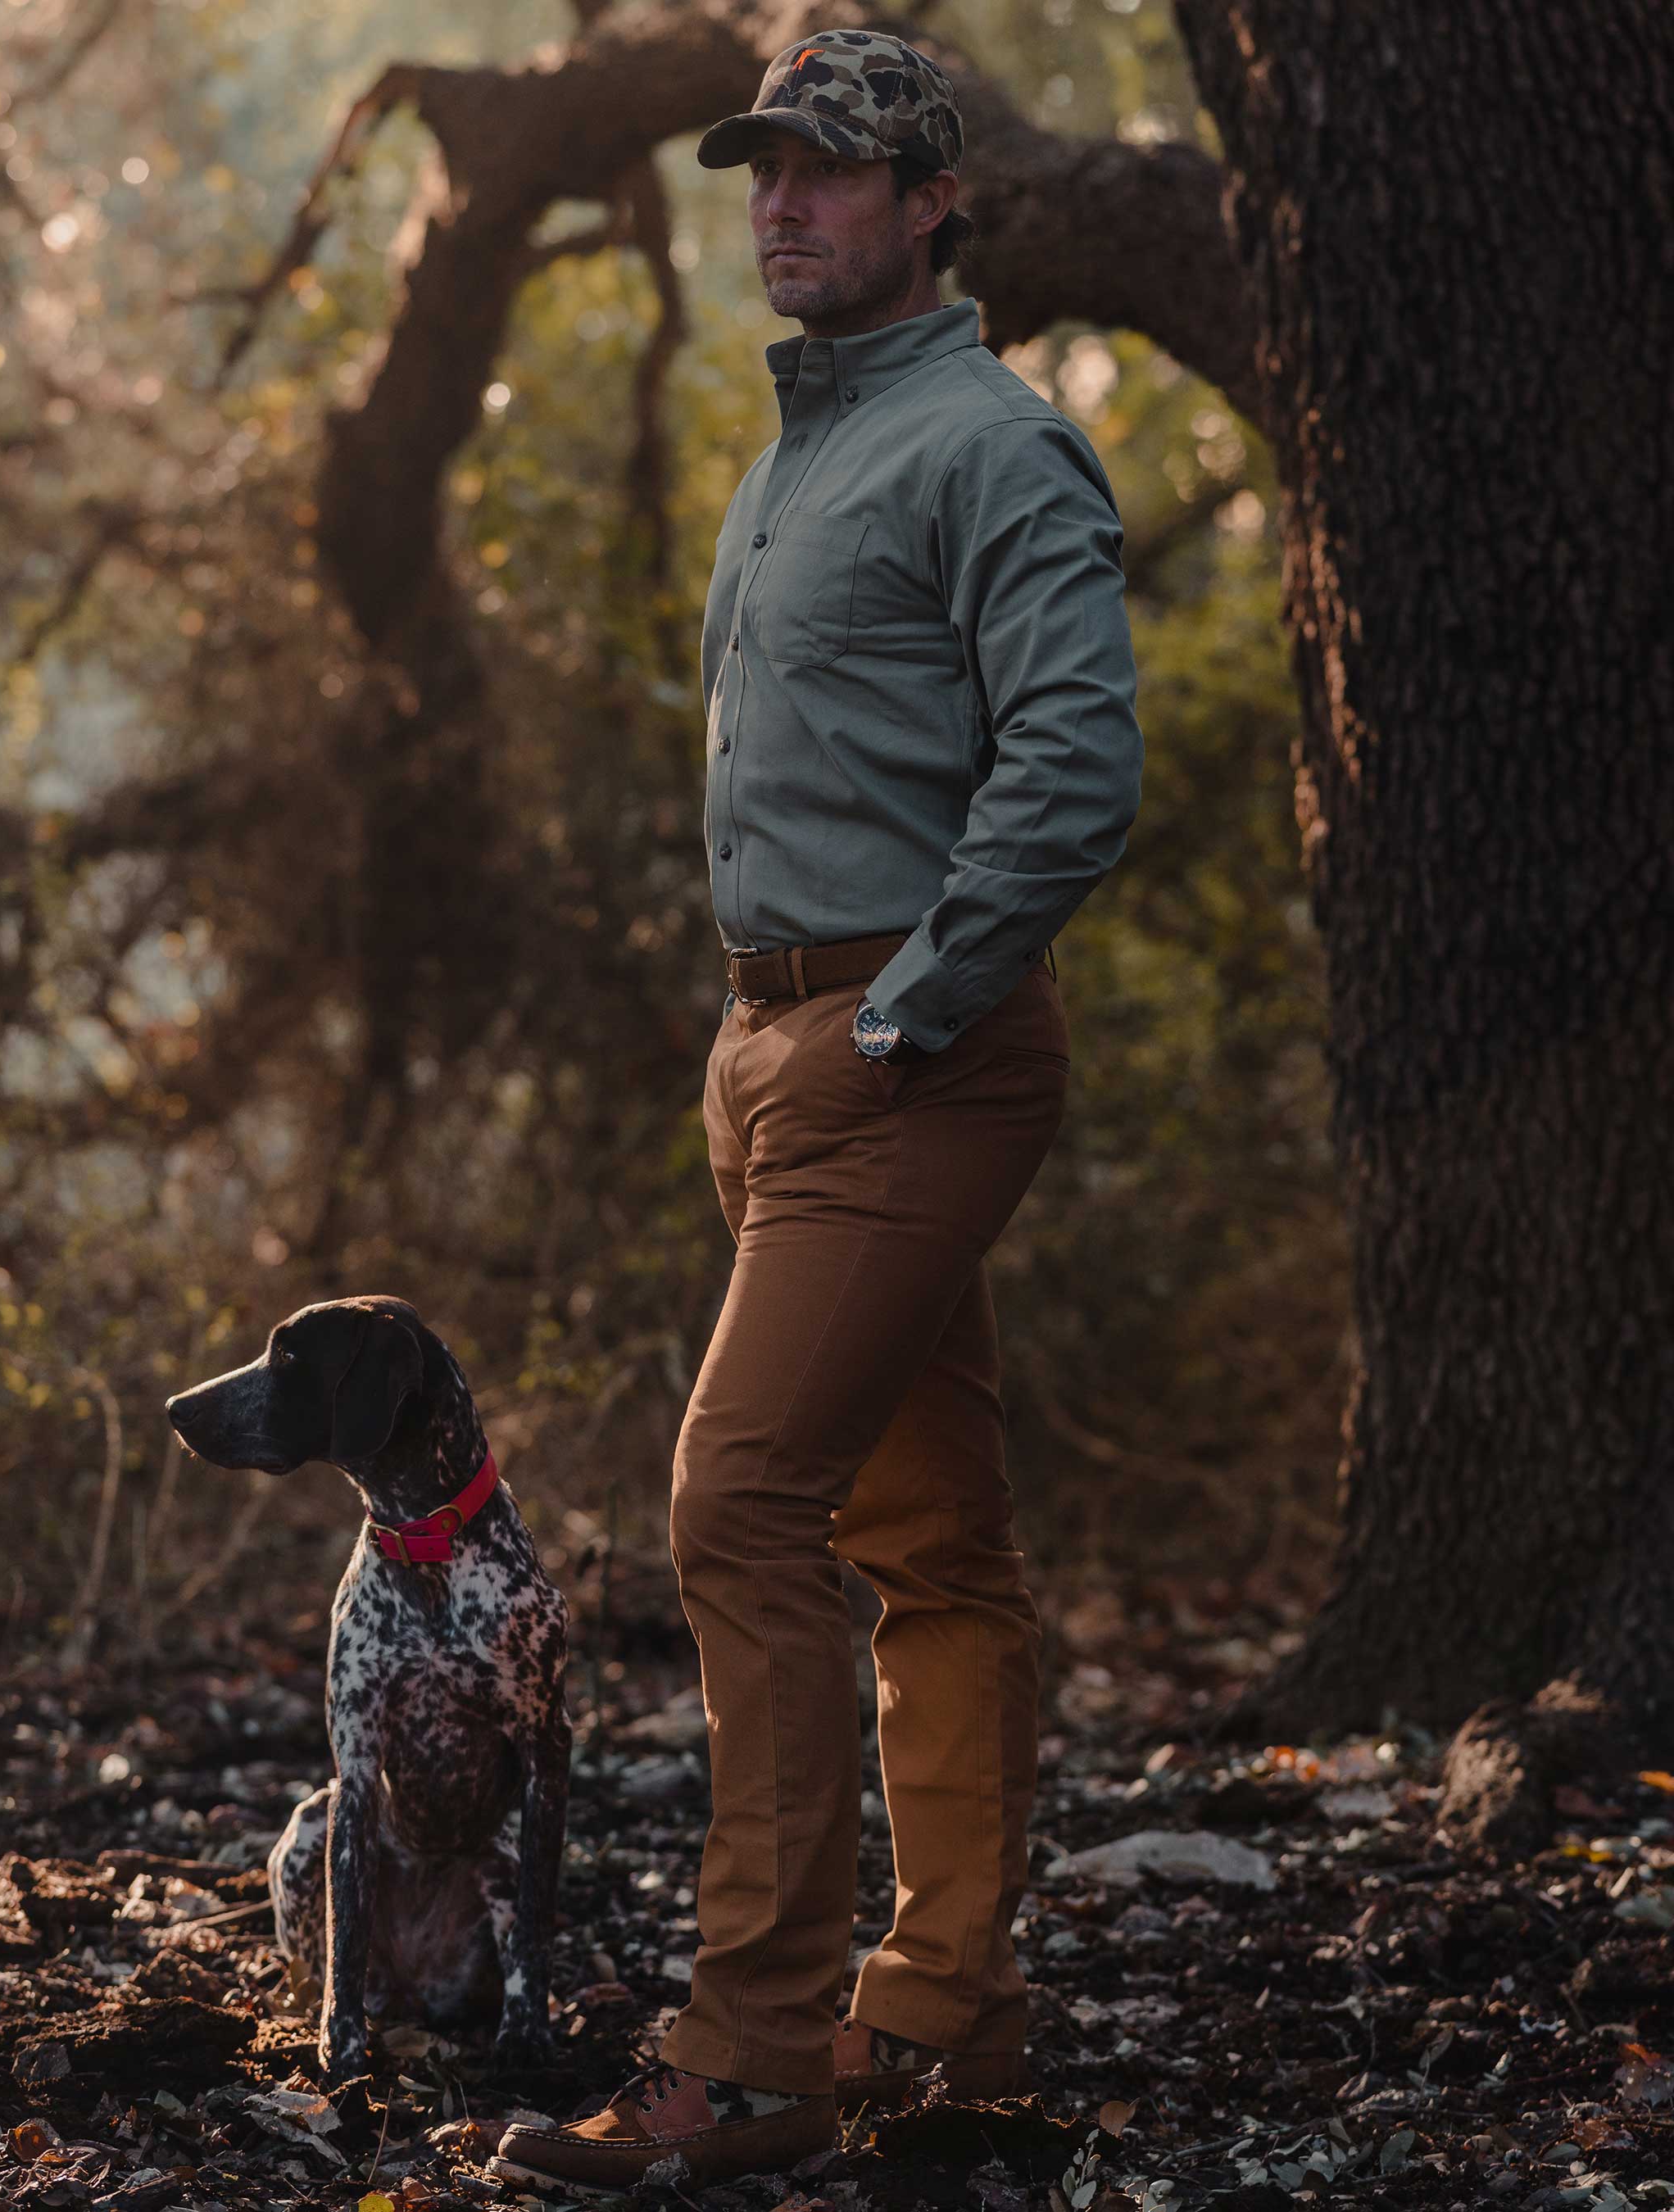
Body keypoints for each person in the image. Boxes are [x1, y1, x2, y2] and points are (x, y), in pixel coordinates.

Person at [495, 28, 1142, 2194]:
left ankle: (757, 2048)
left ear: (932, 202)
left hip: (907, 1055)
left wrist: (903, 1017)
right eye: (763, 168)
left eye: (831, 171)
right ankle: (943, 2005)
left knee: (735, 1504)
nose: (781, 202)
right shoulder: (799, 449)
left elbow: (1073, 767)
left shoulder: (996, 447)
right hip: (785, 1055)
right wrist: (777, 1046)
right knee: (926, 1540)